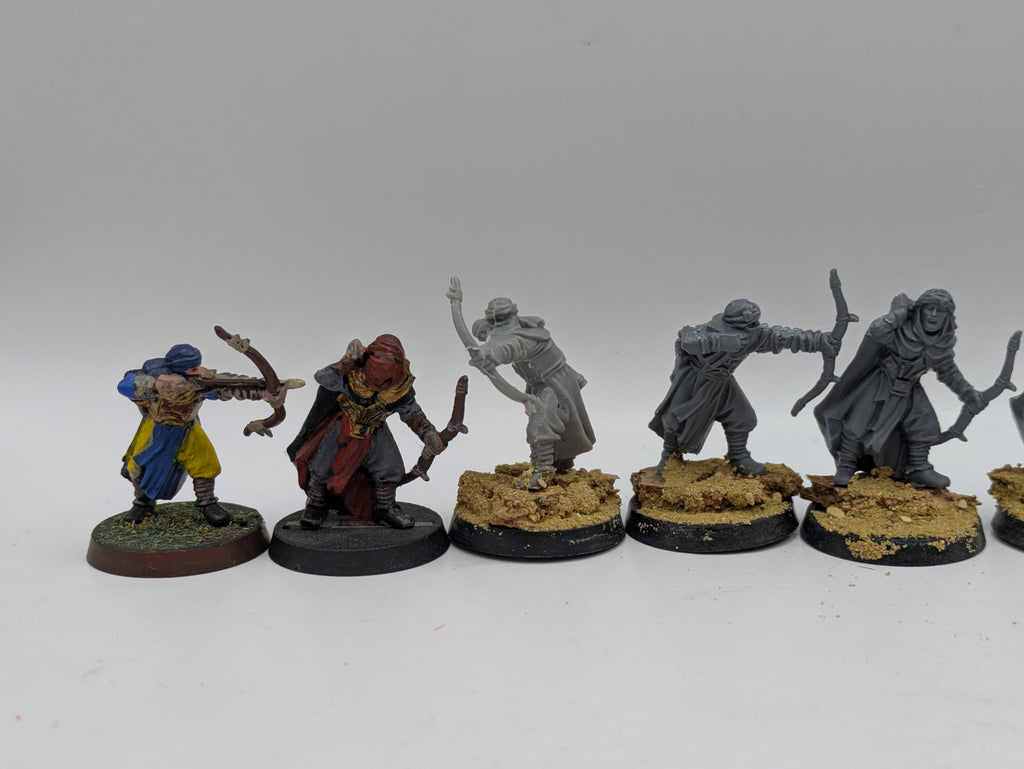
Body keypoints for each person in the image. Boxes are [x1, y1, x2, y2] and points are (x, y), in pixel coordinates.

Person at [814, 289, 983, 488]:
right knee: (856, 424)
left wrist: (968, 392)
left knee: (924, 425)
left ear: (948, 316)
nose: (934, 315)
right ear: (919, 310)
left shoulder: (942, 342)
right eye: (929, 308)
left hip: (909, 389)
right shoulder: (900, 331)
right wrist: (898, 314)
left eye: (940, 311)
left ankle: (918, 467)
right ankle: (846, 466)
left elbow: (949, 371)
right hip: (879, 385)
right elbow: (876, 332)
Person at [651, 299, 837, 475]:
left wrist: (820, 341)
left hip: (722, 381)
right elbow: (687, 340)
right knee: (676, 418)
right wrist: (718, 341)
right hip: (695, 381)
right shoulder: (710, 331)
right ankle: (669, 457)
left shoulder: (753, 335)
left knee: (743, 417)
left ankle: (738, 456)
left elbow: (783, 337)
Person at [287, 335, 443, 529]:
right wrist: (347, 361)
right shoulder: (353, 373)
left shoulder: (400, 386)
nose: (382, 365)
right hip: (343, 427)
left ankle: (386, 507)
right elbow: (323, 378)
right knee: (322, 465)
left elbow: (412, 413)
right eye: (378, 357)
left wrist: (428, 432)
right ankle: (316, 505)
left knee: (390, 466)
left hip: (375, 430)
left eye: (390, 359)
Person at [118, 343, 270, 526]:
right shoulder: (154, 375)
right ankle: (142, 502)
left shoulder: (201, 381)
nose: (198, 371)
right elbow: (124, 385)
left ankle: (207, 502)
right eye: (193, 368)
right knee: (138, 465)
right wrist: (157, 385)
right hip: (155, 428)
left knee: (205, 463)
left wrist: (263, 392)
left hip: (187, 429)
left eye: (197, 366)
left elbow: (230, 385)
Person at [470, 297, 595, 489]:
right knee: (556, 424)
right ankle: (560, 462)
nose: (497, 325)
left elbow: (510, 347)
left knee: (540, 424)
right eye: (495, 320)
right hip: (540, 384)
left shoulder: (529, 338)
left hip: (554, 383)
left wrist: (488, 354)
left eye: (501, 319)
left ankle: (543, 470)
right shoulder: (510, 330)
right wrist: (482, 339)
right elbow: (485, 331)